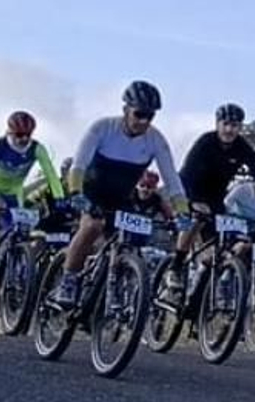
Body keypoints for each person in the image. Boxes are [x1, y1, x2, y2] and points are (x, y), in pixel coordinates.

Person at [54, 80, 186, 306]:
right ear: (125, 109)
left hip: (121, 198)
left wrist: (182, 212)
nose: (143, 121)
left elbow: (172, 180)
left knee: (132, 241)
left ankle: (113, 288)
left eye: (150, 116)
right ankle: (68, 280)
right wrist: (76, 192)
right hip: (92, 192)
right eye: (139, 114)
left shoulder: (155, 140)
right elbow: (78, 166)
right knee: (93, 226)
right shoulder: (102, 128)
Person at [170, 103, 255, 293]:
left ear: (240, 127)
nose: (230, 129)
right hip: (188, 190)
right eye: (226, 124)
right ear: (218, 124)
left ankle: (202, 289)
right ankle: (176, 267)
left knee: (221, 245)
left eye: (235, 125)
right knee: (194, 221)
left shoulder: (242, 148)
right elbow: (186, 174)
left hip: (215, 197)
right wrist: (191, 203)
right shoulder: (206, 142)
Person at [0, 111, 65, 274]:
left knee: (21, 228)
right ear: (10, 132)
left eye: (28, 135)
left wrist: (60, 198)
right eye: (19, 135)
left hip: (14, 192)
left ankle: (12, 267)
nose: (24, 139)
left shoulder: (37, 148)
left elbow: (51, 175)